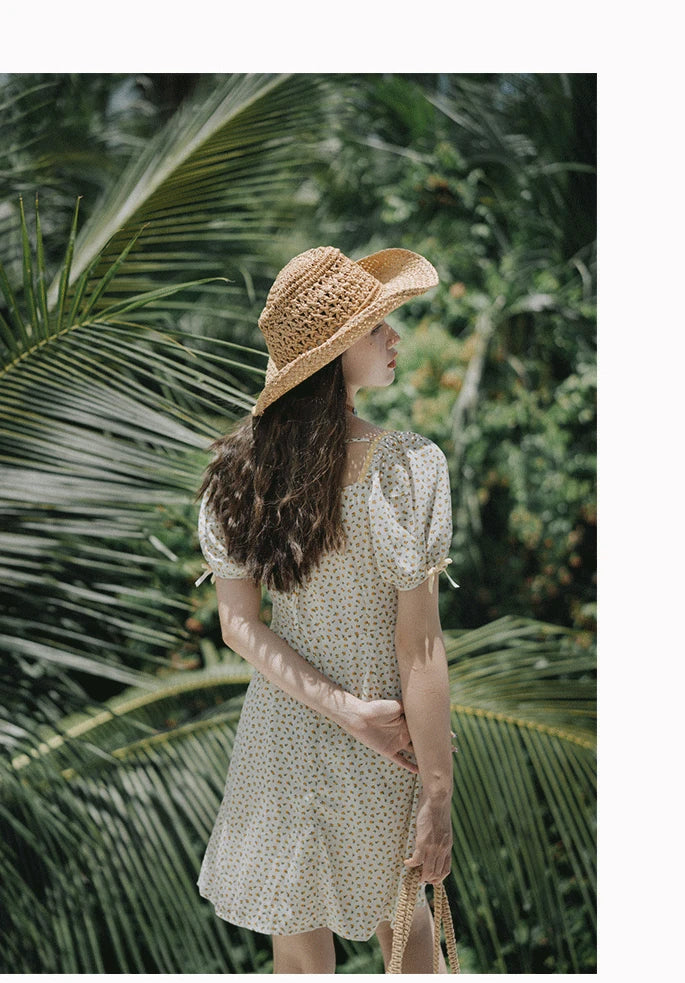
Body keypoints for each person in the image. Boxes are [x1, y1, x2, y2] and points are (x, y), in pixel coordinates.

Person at [194, 245, 459, 973]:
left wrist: (344, 712)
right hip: (388, 742)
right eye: (377, 328)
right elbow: (419, 649)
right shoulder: (405, 468)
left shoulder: (236, 474)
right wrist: (437, 790)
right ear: (336, 352)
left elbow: (239, 626)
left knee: (301, 962)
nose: (394, 337)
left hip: (281, 738)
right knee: (408, 940)